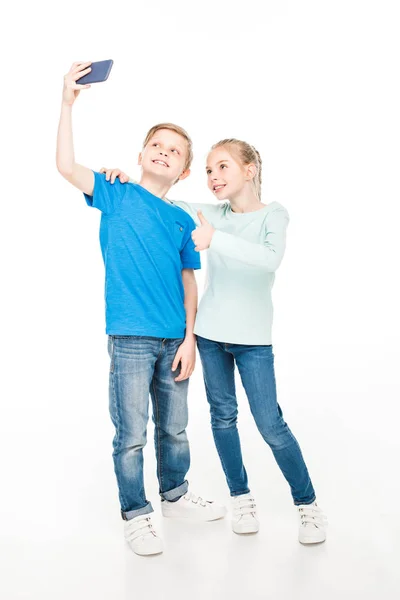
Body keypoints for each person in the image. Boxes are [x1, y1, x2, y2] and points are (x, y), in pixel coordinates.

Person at [101, 139, 327, 544]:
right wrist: (129, 180)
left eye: (222, 168)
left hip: (253, 340)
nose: (213, 178)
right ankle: (241, 498)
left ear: (249, 170)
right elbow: (162, 199)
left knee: (270, 424)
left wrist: (215, 239)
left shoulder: (273, 214)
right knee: (223, 419)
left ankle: (307, 505)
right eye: (207, 170)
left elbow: (269, 258)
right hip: (209, 337)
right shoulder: (208, 213)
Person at [56, 61, 226, 557]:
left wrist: (191, 336)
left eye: (175, 152)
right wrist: (67, 103)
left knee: (174, 428)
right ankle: (137, 514)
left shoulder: (182, 218)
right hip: (130, 337)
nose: (165, 153)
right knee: (131, 433)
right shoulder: (116, 191)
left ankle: (174, 495)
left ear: (185, 169)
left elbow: (189, 280)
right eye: (158, 145)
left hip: (176, 338)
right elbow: (66, 167)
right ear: (141, 154)